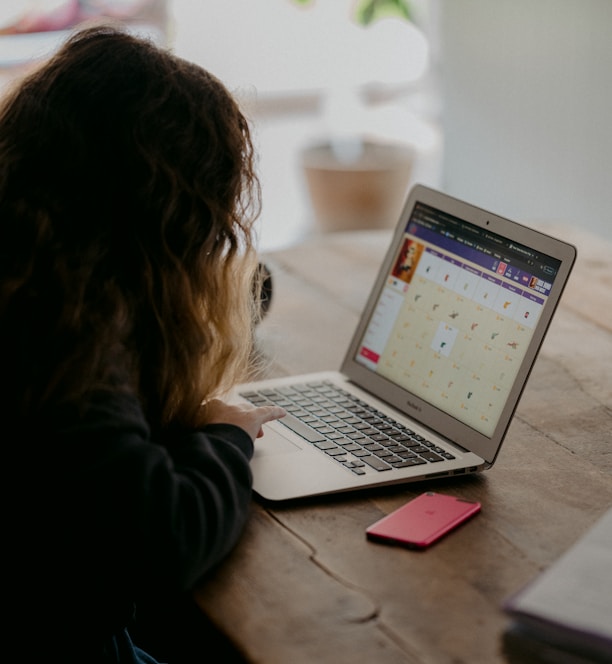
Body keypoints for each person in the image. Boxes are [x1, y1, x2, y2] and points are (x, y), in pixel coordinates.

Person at [0, 25, 286, 663]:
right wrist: (228, 434)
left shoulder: (30, 269)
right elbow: (165, 538)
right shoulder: (65, 342)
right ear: (166, 220)